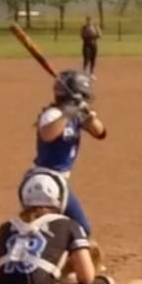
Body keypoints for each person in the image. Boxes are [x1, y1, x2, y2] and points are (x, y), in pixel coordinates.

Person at [34, 70, 108, 243]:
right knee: (80, 228)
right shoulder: (53, 114)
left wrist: (88, 115)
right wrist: (68, 112)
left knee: (70, 229)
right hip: (45, 180)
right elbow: (47, 135)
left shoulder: (77, 115)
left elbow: (100, 133)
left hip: (59, 181)